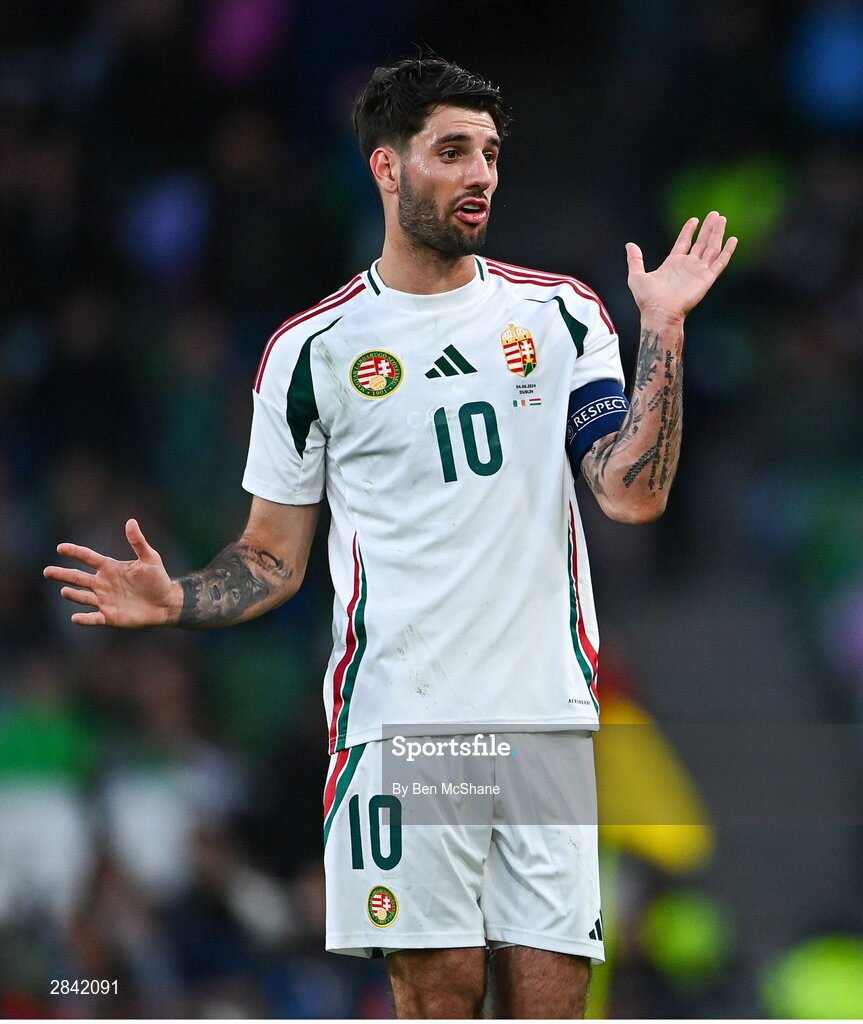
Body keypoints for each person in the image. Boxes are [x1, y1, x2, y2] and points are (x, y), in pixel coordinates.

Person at [45, 56, 736, 1019]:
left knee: (553, 1001)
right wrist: (181, 597)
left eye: (490, 154)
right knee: (438, 993)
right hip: (403, 724)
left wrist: (661, 328)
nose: (480, 174)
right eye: (451, 151)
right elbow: (272, 558)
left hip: (545, 718)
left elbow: (628, 495)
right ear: (386, 167)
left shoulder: (561, 312)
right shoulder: (312, 351)